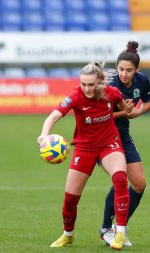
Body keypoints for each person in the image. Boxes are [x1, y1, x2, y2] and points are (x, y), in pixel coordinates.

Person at [37, 61, 134, 250]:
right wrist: (44, 134)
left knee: (121, 178)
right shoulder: (76, 96)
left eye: (91, 84)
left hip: (109, 144)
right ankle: (68, 235)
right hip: (84, 148)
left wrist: (126, 111)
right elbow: (54, 115)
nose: (87, 89)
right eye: (83, 84)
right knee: (71, 198)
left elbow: (123, 107)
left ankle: (120, 233)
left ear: (99, 82)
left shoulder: (111, 93)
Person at [99, 41, 150, 246]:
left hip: (123, 136)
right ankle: (106, 227)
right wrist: (125, 113)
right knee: (119, 178)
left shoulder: (142, 81)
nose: (123, 74)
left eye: (128, 70)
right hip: (103, 138)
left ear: (136, 70)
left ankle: (117, 228)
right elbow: (99, 116)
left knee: (139, 184)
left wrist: (138, 111)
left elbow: (148, 101)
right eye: (120, 69)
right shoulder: (109, 85)